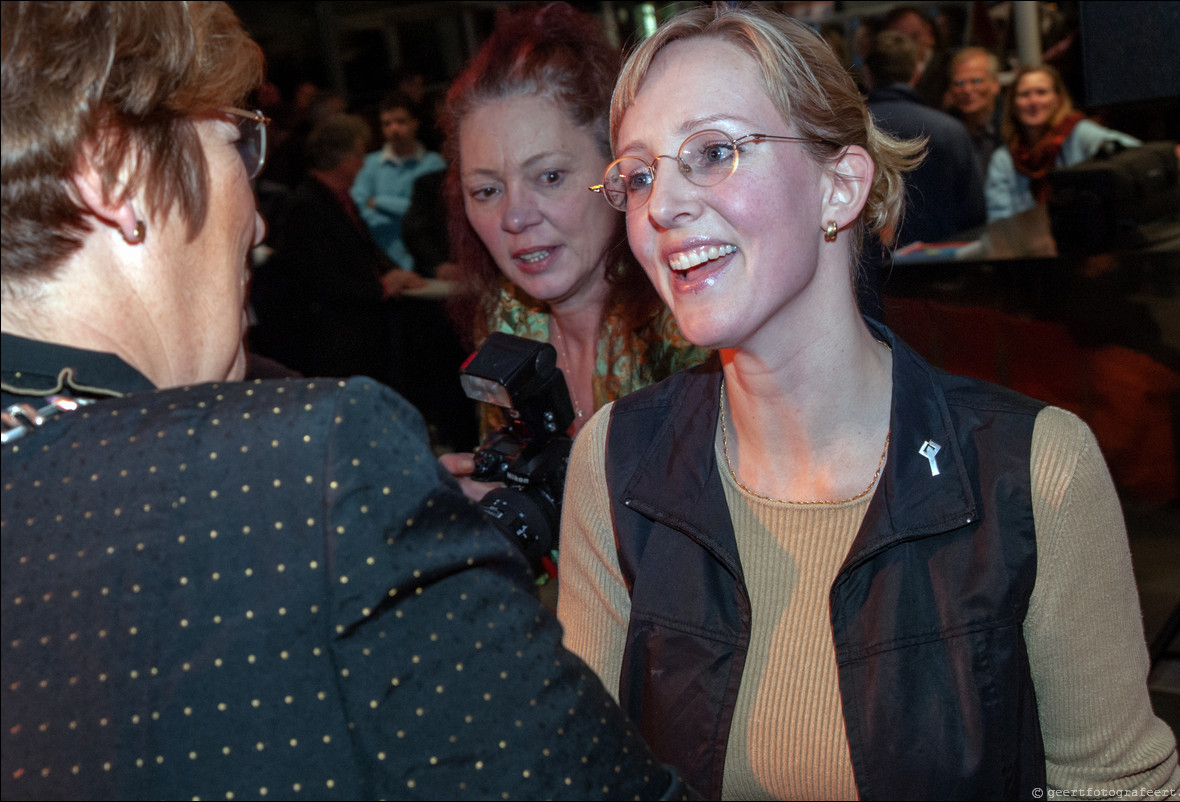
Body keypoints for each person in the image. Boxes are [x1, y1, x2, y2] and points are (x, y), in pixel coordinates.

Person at [0, 3, 693, 799]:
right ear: (118, 174)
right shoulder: (314, 464)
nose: (258, 219)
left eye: (548, 176)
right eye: (236, 141)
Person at [557, 5, 1180, 800]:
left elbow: (1120, 787)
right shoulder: (616, 461)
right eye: (638, 173)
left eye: (712, 152)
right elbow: (590, 776)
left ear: (841, 186)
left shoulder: (1032, 473)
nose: (660, 205)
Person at [436, 2, 707, 500]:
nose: (516, 218)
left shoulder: (691, 327)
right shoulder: (511, 322)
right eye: (487, 191)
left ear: (619, 176)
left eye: (550, 177)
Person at [249, 113, 423, 387]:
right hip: (333, 343)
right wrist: (380, 287)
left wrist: (394, 271)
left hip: (358, 333)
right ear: (340, 157)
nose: (363, 162)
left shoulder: (336, 197)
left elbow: (364, 249)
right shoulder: (305, 205)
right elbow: (316, 277)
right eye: (358, 154)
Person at [864, 30, 985, 245]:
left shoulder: (850, 130)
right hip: (942, 265)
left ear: (867, 74)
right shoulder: (951, 131)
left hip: (870, 268)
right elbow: (975, 212)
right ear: (917, 73)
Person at [985, 64, 1140, 222]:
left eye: (1041, 92)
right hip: (1028, 243)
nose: (1033, 101)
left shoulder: (1078, 133)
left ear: (1058, 99)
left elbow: (1135, 152)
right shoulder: (1004, 159)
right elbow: (1000, 222)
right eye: (1024, 94)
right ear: (1013, 103)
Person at [351, 91, 447, 273]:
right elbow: (359, 209)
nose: (394, 129)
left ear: (415, 123)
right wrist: (406, 215)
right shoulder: (368, 163)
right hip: (380, 262)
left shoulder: (434, 163)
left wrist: (379, 201)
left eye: (400, 121)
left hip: (428, 262)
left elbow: (430, 215)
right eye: (387, 124)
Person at [947, 46, 1005, 176]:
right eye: (960, 83)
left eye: (976, 81)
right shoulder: (945, 132)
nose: (967, 90)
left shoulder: (1011, 126)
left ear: (995, 84)